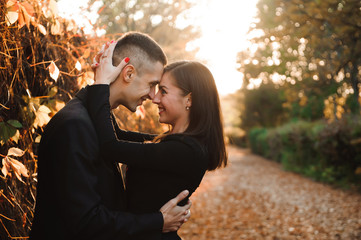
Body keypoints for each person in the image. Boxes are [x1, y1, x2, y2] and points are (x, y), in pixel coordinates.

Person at [29, 32, 191, 240]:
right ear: (129, 74)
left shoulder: (95, 117)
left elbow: (128, 142)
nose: (153, 96)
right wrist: (158, 222)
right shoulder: (75, 126)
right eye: (152, 84)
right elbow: (85, 221)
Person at [87, 43, 228, 239]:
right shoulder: (175, 143)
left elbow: (111, 147)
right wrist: (107, 83)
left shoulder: (185, 151)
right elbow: (117, 135)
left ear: (189, 100)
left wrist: (101, 86)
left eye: (163, 91)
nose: (154, 98)